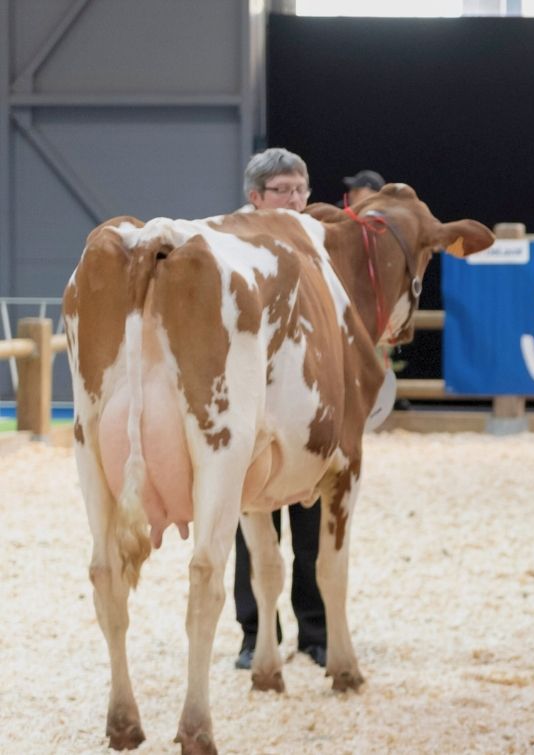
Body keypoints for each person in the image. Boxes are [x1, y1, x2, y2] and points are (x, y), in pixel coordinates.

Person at [231, 147, 327, 669]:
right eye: (282, 190)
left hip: (308, 404)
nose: (294, 199)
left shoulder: (319, 246)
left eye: (299, 189)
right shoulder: (231, 249)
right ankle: (254, 634)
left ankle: (315, 634)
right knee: (250, 529)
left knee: (311, 529)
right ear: (255, 197)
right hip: (251, 405)